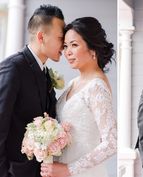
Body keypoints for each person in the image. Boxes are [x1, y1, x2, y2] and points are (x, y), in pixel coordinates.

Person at [40, 17, 117, 177]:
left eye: (74, 45)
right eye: (66, 46)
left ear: (93, 49)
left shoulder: (96, 87)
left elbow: (112, 143)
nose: (67, 52)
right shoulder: (74, 82)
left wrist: (70, 170)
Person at [0, 4, 64, 177]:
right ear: (42, 36)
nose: (64, 45)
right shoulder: (13, 68)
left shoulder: (44, 72)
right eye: (60, 38)